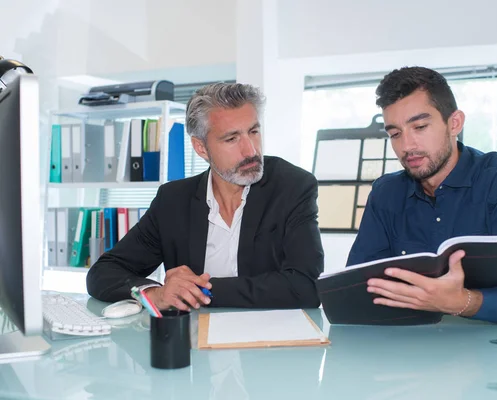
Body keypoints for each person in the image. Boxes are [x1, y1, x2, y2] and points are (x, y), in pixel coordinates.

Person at [87, 83, 324, 311]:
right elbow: (104, 273)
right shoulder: (173, 200)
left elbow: (306, 287)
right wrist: (153, 294)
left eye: (253, 131)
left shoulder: (293, 187)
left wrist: (198, 291)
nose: (251, 150)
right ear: (201, 148)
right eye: (232, 139)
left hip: (273, 343)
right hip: (196, 342)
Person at [348, 67, 497, 324]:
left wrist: (462, 302)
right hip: (408, 347)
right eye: (395, 134)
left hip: (492, 348)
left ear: (454, 123)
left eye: (420, 126)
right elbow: (360, 286)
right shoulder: (385, 193)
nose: (407, 146)